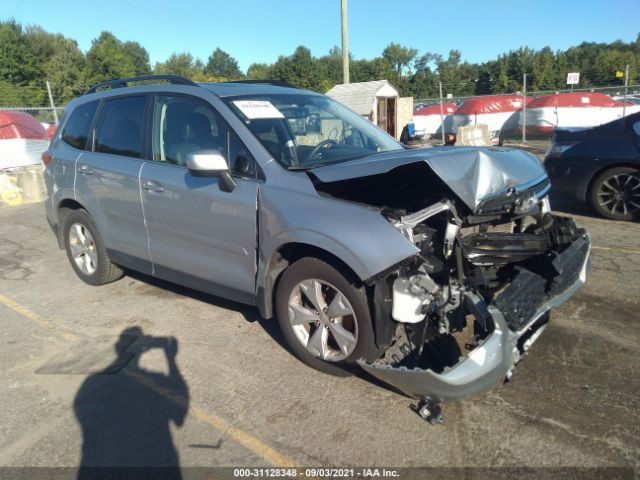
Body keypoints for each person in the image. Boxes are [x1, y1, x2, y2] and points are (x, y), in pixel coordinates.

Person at [74, 327, 189, 480]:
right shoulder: (155, 379)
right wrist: (170, 359)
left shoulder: (91, 382)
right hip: (153, 460)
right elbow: (179, 417)